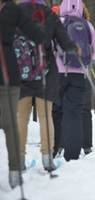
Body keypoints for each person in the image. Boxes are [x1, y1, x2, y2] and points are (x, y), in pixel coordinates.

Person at [16, 0, 81, 172]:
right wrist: (76, 48)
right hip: (44, 72)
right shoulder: (49, 14)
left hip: (19, 72)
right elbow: (65, 43)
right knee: (46, 116)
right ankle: (47, 159)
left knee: (22, 117)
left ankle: (19, 159)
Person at [0, 0, 47, 188]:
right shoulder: (13, 9)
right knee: (11, 124)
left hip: (9, 75)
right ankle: (14, 173)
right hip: (9, 72)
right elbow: (36, 34)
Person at [52, 0, 95, 161]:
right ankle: (72, 155)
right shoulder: (87, 26)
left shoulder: (57, 22)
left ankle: (55, 148)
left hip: (58, 74)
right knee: (74, 113)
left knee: (57, 111)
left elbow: (49, 48)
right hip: (80, 74)